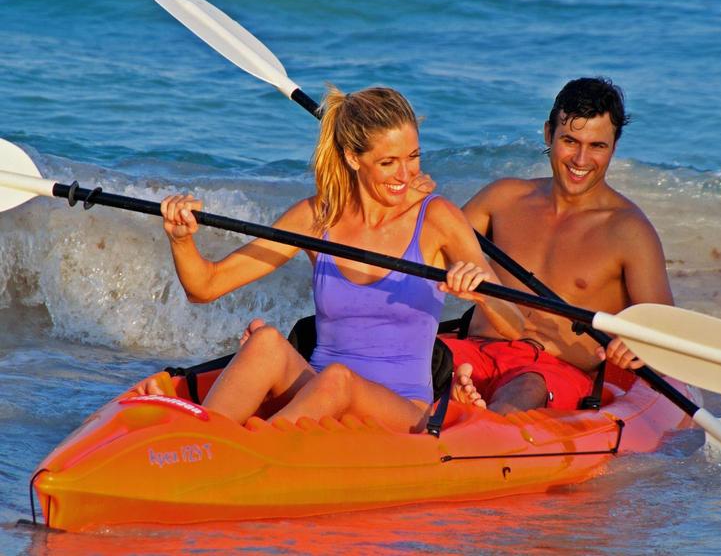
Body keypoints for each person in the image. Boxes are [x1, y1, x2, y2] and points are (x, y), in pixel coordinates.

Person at [138, 86, 523, 431]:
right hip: (317, 391)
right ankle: (198, 441)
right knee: (267, 343)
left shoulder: (437, 218)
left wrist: (482, 293)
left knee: (339, 380)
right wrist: (181, 240)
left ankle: (253, 451)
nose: (405, 175)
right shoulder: (316, 217)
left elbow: (515, 326)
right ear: (354, 158)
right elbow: (205, 287)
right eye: (388, 162)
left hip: (403, 409)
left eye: (413, 157)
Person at [444, 77, 673, 414]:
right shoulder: (503, 199)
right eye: (570, 140)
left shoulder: (628, 230)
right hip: (476, 350)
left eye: (597, 145)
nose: (581, 159)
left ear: (614, 146)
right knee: (413, 356)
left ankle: (481, 427)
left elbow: (662, 324)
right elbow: (428, 246)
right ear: (548, 133)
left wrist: (638, 342)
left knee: (526, 387)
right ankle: (455, 396)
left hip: (552, 372)